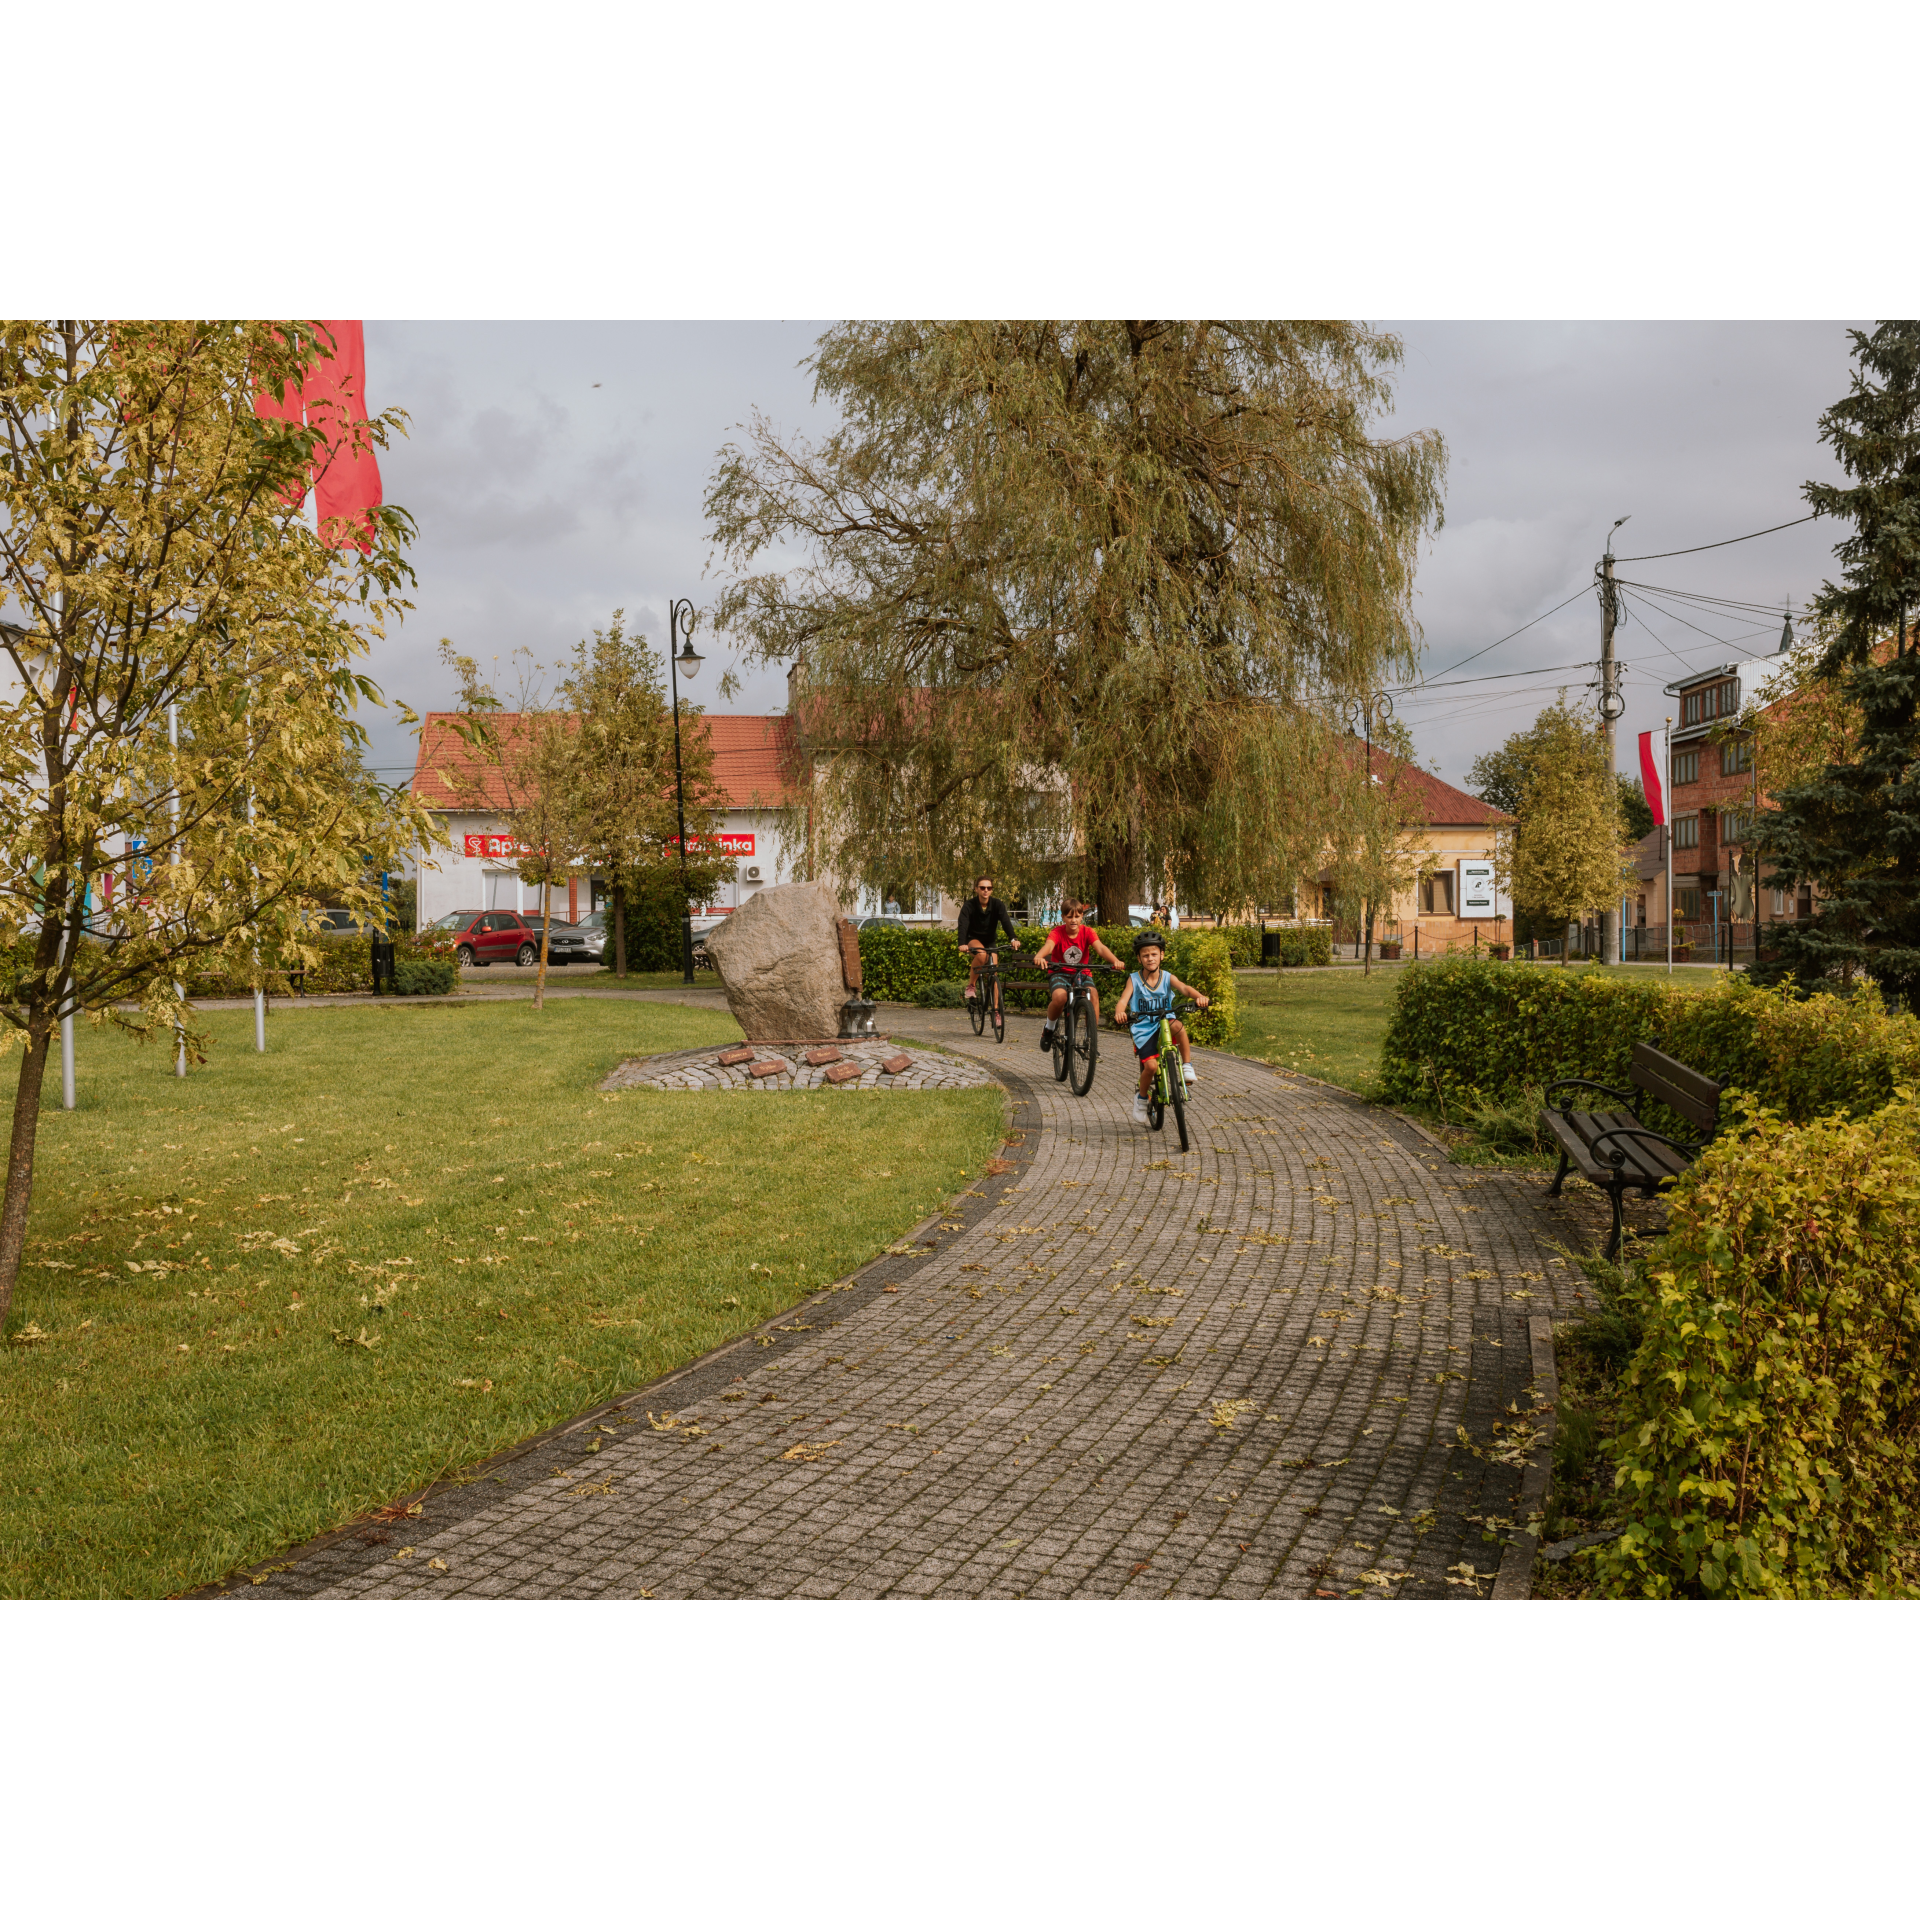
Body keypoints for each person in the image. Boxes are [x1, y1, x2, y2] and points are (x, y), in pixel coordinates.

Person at [1113, 930, 1210, 1126]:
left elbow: (1184, 988)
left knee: (1179, 1027)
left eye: (1154, 954)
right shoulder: (1134, 979)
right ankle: (1141, 1100)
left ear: (1162, 955)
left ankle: (1187, 1066)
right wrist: (1120, 1012)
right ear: (1139, 958)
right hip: (1143, 1028)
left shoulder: (1167, 977)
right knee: (1151, 1066)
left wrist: (1199, 996)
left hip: (1165, 1022)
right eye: (1145, 955)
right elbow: (1123, 999)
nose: (1150, 958)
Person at [1032, 902, 1122, 1052]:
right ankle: (1049, 1028)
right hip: (1059, 972)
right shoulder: (1057, 932)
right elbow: (1049, 945)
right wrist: (1040, 956)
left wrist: (1115, 961)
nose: (1073, 920)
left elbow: (1100, 947)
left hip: (1082, 973)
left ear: (1082, 917)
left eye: (1077, 916)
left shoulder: (1087, 932)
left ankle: (1090, 1037)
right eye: (1069, 916)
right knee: (1060, 998)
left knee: (1093, 995)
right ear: (1063, 917)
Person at [956, 875, 1021, 1000]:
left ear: (991, 890)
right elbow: (963, 925)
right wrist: (962, 943)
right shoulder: (969, 905)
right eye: (982, 887)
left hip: (990, 941)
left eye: (989, 888)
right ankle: (971, 986)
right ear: (976, 889)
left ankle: (996, 1012)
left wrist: (1013, 939)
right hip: (974, 939)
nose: (986, 890)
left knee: (993, 974)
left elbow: (1006, 922)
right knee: (981, 955)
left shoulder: (997, 905)